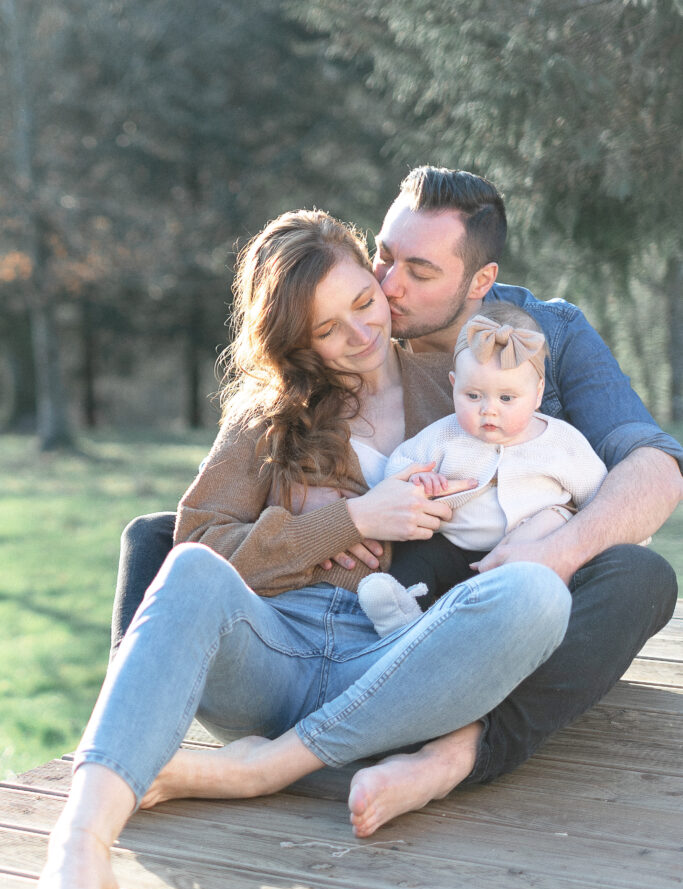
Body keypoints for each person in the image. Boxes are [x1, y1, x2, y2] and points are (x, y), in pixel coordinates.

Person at [11, 210, 573, 889]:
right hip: (271, 658)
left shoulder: (456, 392)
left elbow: (541, 487)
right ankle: (79, 846)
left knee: (538, 596)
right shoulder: (264, 417)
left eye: (363, 305)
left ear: (378, 286)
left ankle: (267, 768)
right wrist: (346, 521)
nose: (358, 335)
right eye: (324, 328)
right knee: (189, 572)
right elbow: (195, 546)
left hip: (392, 662)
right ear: (291, 341)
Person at [110, 165, 680, 831]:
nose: (387, 287)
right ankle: (128, 744)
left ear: (479, 283)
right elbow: (222, 512)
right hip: (341, 615)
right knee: (157, 540)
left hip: (464, 603)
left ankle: (456, 752)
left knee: (636, 577)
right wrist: (333, 520)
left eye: (419, 271)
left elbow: (655, 467)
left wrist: (554, 545)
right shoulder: (338, 340)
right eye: (381, 257)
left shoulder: (545, 335)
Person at [358, 301, 608, 636]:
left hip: (526, 553)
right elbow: (398, 468)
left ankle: (507, 630)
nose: (488, 411)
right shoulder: (445, 434)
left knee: (542, 586)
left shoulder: (562, 442)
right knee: (417, 554)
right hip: (453, 546)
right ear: (453, 384)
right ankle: (401, 610)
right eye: (473, 396)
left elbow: (599, 496)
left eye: (507, 399)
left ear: (537, 394)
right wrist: (420, 479)